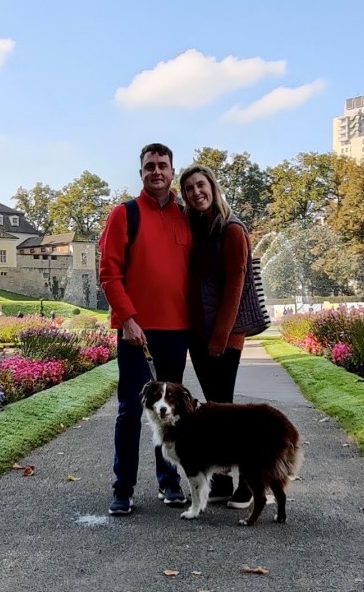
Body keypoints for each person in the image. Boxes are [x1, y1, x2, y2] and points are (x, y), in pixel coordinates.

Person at [99, 142, 192, 516]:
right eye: (150, 166)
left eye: (163, 166)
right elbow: (109, 274)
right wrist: (128, 319)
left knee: (171, 413)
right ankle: (123, 488)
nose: (157, 171)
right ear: (141, 173)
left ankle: (168, 483)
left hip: (177, 331)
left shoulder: (186, 217)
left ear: (172, 172)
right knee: (129, 411)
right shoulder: (124, 214)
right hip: (137, 332)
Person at [179, 163, 255, 509]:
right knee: (214, 408)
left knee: (226, 411)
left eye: (201, 185)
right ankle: (223, 480)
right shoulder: (197, 227)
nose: (197, 192)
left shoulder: (232, 230)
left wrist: (219, 338)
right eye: (190, 189)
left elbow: (235, 287)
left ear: (212, 186)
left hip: (223, 335)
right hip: (199, 332)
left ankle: (250, 482)